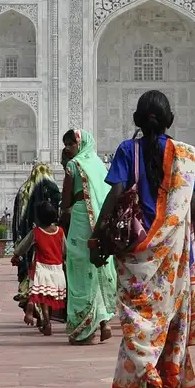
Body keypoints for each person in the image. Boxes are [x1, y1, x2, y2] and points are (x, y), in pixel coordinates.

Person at [91, 90, 195, 388]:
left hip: (135, 252)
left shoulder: (129, 149)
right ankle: (149, 387)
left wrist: (98, 234)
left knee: (138, 322)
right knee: (163, 320)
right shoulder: (185, 154)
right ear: (170, 120)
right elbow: (192, 206)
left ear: (137, 120)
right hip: (173, 257)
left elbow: (114, 194)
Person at [60, 129, 117, 345]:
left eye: (70, 145)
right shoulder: (98, 165)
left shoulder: (73, 166)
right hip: (100, 223)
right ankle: (104, 322)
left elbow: (66, 202)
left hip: (82, 219)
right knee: (98, 267)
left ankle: (85, 330)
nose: (67, 149)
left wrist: (63, 212)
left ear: (80, 144)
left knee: (79, 269)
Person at [11, 201, 67, 337]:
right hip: (57, 268)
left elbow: (23, 246)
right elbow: (65, 250)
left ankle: (45, 320)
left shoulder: (36, 232)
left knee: (42, 297)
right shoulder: (60, 231)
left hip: (41, 267)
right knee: (49, 296)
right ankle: (45, 321)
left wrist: (16, 255)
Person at [12, 163, 62, 308]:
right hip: (49, 237)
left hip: (28, 235)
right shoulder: (52, 188)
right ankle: (44, 308)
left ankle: (27, 296)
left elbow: (17, 219)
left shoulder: (24, 190)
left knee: (30, 270)